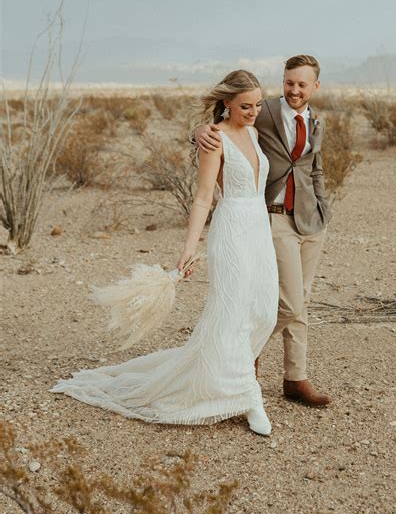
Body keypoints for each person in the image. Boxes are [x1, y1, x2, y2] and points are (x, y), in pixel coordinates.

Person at [51, 70, 279, 436]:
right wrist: (189, 247)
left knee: (264, 310)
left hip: (259, 230)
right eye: (245, 106)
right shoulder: (215, 139)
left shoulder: (252, 133)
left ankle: (227, 381)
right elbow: (204, 197)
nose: (254, 112)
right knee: (231, 311)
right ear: (226, 104)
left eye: (257, 105)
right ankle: (248, 396)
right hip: (232, 230)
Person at [196, 55, 332, 407]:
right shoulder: (264, 111)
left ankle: (295, 378)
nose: (295, 90)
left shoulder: (317, 121)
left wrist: (323, 208)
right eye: (289, 82)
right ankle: (244, 353)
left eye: (302, 84)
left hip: (311, 220)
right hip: (273, 216)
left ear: (315, 86)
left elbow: (315, 168)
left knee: (300, 302)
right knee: (289, 303)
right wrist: (198, 131)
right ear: (283, 81)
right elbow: (225, 126)